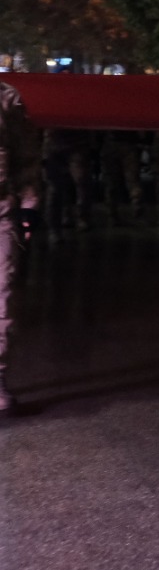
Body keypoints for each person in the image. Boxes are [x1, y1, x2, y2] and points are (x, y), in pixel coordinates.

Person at [0, 81, 41, 411]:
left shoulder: (6, 98)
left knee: (2, 296)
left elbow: (26, 156)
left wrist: (28, 205)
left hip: (0, 211)